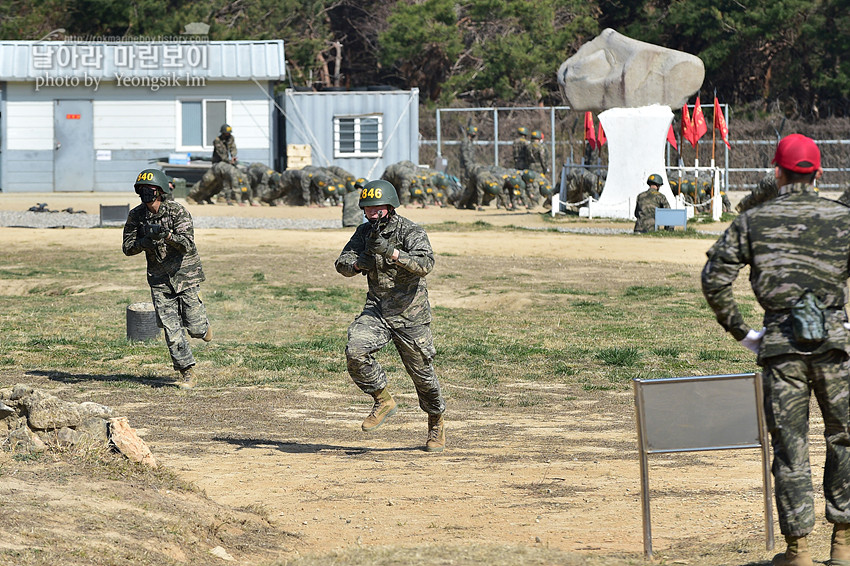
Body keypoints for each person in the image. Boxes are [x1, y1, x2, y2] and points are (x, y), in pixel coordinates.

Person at [701, 134, 850, 566]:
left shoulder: (754, 221)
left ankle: (798, 551)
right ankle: (843, 545)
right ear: (819, 172)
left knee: (790, 445)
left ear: (778, 172)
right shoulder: (843, 218)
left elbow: (714, 279)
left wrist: (743, 333)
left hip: (780, 348)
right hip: (835, 348)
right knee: (845, 438)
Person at [334, 180, 446, 452]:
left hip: (411, 315)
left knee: (423, 377)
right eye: (367, 209)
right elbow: (341, 263)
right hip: (377, 310)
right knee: (355, 351)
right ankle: (382, 399)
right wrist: (359, 263)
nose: (372, 214)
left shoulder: (411, 231)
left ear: (390, 206)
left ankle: (436, 422)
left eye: (377, 209)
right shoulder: (363, 232)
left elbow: (425, 264)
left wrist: (392, 253)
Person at [122, 168, 212, 389]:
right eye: (142, 190)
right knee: (171, 330)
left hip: (185, 275)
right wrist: (146, 240)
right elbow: (127, 247)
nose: (146, 195)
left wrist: (167, 235)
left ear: (160, 191)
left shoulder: (177, 212)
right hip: (159, 280)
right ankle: (187, 372)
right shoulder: (136, 216)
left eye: (150, 190)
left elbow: (188, 244)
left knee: (196, 328)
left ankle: (204, 327)